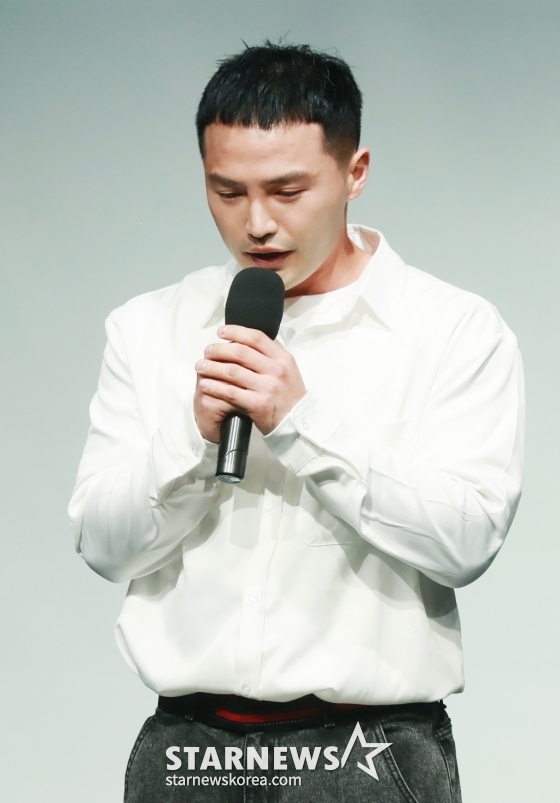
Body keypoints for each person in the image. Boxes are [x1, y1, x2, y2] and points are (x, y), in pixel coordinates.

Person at [68, 43, 524, 802]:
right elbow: (104, 548)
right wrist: (192, 438)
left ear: (356, 172)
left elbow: (467, 541)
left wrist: (300, 423)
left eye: (287, 190)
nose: (257, 222)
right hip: (187, 749)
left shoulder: (452, 330)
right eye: (227, 190)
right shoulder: (149, 327)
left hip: (369, 752)